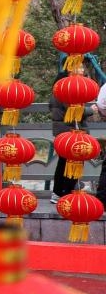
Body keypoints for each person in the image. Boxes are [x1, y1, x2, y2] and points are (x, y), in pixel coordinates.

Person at [50, 67, 90, 202]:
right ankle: (67, 192)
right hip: (71, 132)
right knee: (74, 161)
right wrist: (91, 110)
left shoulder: (57, 90)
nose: (82, 72)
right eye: (79, 70)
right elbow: (75, 110)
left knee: (63, 163)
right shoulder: (67, 91)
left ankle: (57, 193)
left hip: (62, 133)